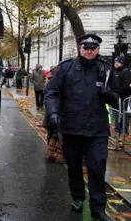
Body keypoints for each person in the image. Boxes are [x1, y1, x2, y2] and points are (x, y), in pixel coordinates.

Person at [45, 33, 118, 221]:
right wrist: (52, 113)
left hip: (97, 130)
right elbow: (51, 92)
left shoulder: (106, 69)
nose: (88, 51)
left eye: (92, 48)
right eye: (85, 47)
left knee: (97, 168)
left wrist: (108, 94)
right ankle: (77, 197)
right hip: (71, 128)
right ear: (80, 48)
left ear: (98, 50)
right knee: (74, 167)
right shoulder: (65, 68)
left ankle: (98, 209)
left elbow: (117, 97)